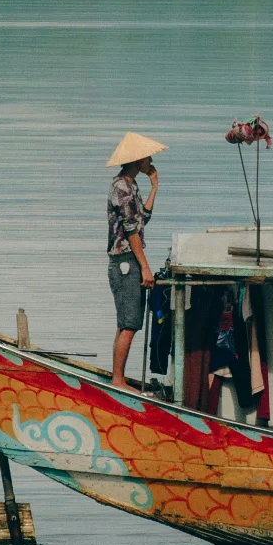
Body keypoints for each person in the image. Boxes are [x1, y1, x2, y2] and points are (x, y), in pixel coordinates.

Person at [105, 131, 165, 388]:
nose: (150, 160)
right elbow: (131, 231)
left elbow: (142, 220)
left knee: (127, 321)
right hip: (125, 261)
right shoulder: (121, 187)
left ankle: (117, 376)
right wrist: (146, 268)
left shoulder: (132, 186)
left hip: (130, 259)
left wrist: (154, 188)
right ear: (137, 159)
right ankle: (118, 379)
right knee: (129, 323)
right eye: (147, 157)